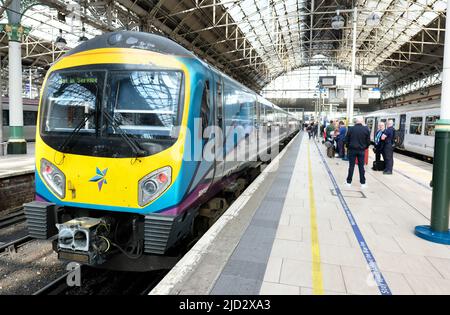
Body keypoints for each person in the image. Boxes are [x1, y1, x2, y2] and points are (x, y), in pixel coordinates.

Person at [344, 117, 371, 188]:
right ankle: (363, 183)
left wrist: (348, 147)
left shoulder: (351, 129)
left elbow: (346, 140)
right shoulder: (366, 129)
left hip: (352, 150)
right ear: (362, 122)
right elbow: (368, 142)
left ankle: (348, 182)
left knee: (351, 166)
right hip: (361, 151)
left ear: (355, 122)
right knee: (361, 167)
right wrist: (364, 147)